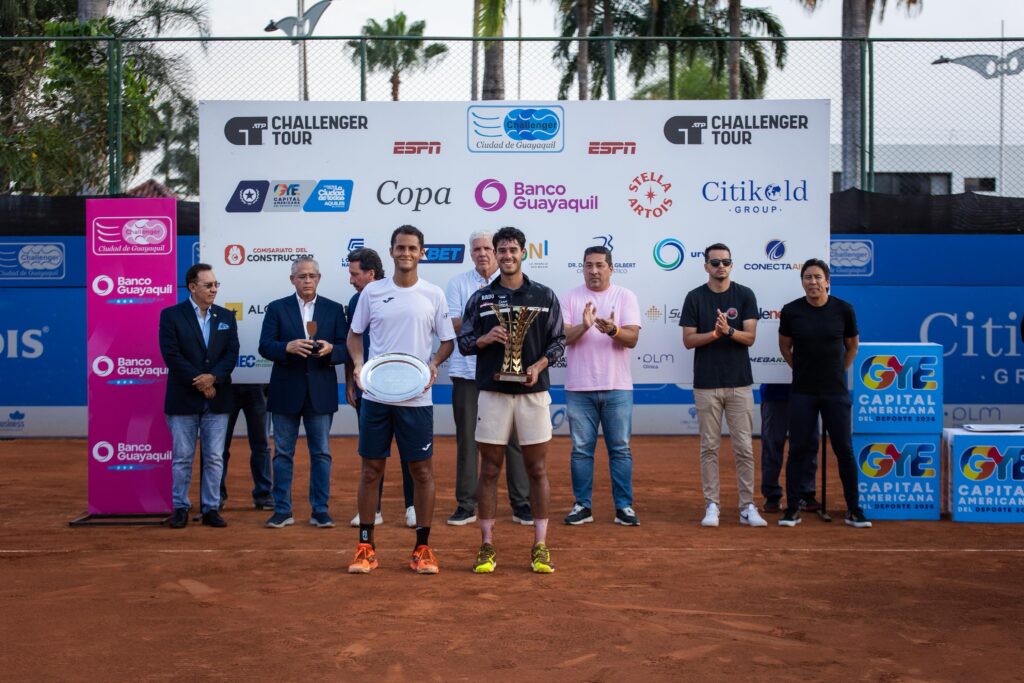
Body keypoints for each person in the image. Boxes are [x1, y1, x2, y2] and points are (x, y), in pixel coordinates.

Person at [346, 225, 455, 575]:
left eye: (412, 248)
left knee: (421, 471)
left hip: (417, 398)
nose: (406, 253)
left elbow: (447, 341)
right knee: (371, 469)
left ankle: (422, 548)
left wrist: (435, 363)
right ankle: (365, 546)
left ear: (422, 252)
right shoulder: (372, 292)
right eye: (400, 248)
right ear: (391, 252)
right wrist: (360, 364)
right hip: (377, 396)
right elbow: (354, 336)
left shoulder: (434, 294)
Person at [458, 226, 565, 574]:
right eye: (500, 250)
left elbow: (558, 342)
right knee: (489, 469)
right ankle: (487, 546)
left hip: (533, 393)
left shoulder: (544, 295)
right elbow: (463, 342)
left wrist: (539, 365)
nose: (506, 255)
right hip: (492, 392)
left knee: (536, 469)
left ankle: (540, 546)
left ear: (523, 253)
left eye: (512, 250)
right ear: (494, 254)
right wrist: (486, 338)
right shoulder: (481, 298)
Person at [445, 230, 532, 527]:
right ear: (471, 254)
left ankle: (521, 504)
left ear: (497, 252)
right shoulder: (457, 284)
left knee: (514, 441)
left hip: (507, 373)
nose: (482, 253)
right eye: (476, 249)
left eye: (487, 248)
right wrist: (486, 323)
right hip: (466, 373)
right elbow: (453, 324)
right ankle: (466, 505)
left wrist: (477, 320)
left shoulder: (515, 284)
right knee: (467, 442)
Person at [778, 258, 871, 528]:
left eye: (818, 277)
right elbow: (785, 347)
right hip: (803, 393)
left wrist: (838, 371)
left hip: (835, 393)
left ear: (827, 281)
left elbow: (852, 346)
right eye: (808, 277)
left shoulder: (844, 310)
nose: (813, 282)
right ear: (802, 282)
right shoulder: (791, 311)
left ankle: (854, 509)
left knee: (844, 449)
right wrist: (801, 370)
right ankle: (793, 508)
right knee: (798, 450)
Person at [258, 256, 349, 530]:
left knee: (321, 453)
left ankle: (320, 510)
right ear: (292, 280)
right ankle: (282, 510)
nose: (307, 280)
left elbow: (347, 348)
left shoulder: (334, 310)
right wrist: (286, 348)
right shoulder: (277, 308)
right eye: (302, 276)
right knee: (283, 453)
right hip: (286, 390)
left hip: (320, 392)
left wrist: (331, 349)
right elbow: (264, 346)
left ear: (319, 278)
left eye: (311, 275)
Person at [681, 244, 767, 528]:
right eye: (715, 262)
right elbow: (689, 340)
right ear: (705, 265)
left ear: (731, 265)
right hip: (706, 384)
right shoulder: (694, 297)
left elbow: (750, 338)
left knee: (744, 447)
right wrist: (714, 334)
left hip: (739, 383)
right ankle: (712, 505)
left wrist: (728, 331)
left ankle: (747, 506)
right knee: (709, 448)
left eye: (725, 262)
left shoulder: (744, 295)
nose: (720, 266)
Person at [561, 245, 642, 526]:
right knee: (581, 450)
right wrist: (584, 326)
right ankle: (582, 506)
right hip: (579, 388)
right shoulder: (571, 297)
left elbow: (632, 338)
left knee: (620, 449)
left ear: (611, 268)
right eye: (588, 265)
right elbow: (563, 338)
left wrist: (613, 330)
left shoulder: (625, 296)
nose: (593, 271)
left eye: (599, 265)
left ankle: (624, 507)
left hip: (617, 387)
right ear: (582, 268)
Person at [158, 263, 239, 529]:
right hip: (184, 398)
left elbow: (231, 354)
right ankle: (180, 507)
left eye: (216, 285)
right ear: (193, 287)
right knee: (182, 456)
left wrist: (213, 378)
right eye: (208, 285)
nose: (214, 289)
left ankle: (211, 508)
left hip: (218, 397)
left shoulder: (226, 317)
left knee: (214, 456)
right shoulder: (171, 316)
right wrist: (201, 382)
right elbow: (172, 355)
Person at [344, 247, 417, 529]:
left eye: (355, 273)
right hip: (370, 388)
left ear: (370, 273)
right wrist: (351, 379)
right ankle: (373, 510)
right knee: (373, 453)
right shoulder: (356, 300)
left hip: (407, 385)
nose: (351, 279)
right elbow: (352, 340)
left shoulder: (407, 295)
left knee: (411, 452)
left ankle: (412, 506)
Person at [759, 383, 819, 514]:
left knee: (808, 444)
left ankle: (806, 493)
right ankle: (772, 495)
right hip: (774, 392)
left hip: (807, 392)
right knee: (772, 445)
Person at [219, 384, 273, 511]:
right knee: (219, 447)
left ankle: (263, 493)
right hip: (227, 385)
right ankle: (215, 494)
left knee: (261, 445)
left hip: (257, 387)